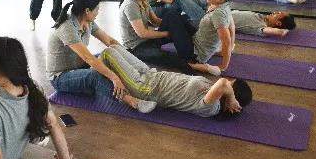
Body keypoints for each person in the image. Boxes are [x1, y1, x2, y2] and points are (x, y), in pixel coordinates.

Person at [46, 0, 156, 113]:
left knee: (112, 53)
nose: (98, 13)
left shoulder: (88, 22)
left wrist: (126, 57)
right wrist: (114, 78)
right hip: (61, 77)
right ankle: (130, 100)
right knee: (95, 76)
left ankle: (145, 72)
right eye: (97, 10)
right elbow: (89, 58)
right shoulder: (67, 27)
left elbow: (110, 41)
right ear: (87, 11)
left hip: (80, 65)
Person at [99, 45, 252, 118]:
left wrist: (231, 98)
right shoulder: (214, 90)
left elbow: (223, 84)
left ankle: (125, 96)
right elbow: (223, 84)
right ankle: (98, 71)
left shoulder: (212, 107)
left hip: (144, 87)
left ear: (231, 94)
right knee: (115, 47)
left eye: (231, 85)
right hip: (150, 74)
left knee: (107, 53)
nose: (228, 82)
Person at [118, 0, 197, 73]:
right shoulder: (130, 6)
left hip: (148, 40)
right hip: (137, 47)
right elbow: (142, 33)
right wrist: (167, 33)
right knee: (167, 57)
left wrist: (172, 24)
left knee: (173, 16)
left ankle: (193, 46)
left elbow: (154, 20)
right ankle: (190, 62)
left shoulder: (143, 0)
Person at [186, 0, 235, 76]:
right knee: (181, 20)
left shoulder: (218, 13)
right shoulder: (225, 6)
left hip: (197, 53)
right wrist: (228, 49)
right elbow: (232, 28)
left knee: (173, 17)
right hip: (200, 44)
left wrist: (223, 67)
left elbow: (226, 41)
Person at [232, 10, 296, 38]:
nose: (274, 12)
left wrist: (282, 31)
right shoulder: (262, 17)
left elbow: (271, 31)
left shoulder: (261, 25)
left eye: (278, 13)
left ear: (278, 23)